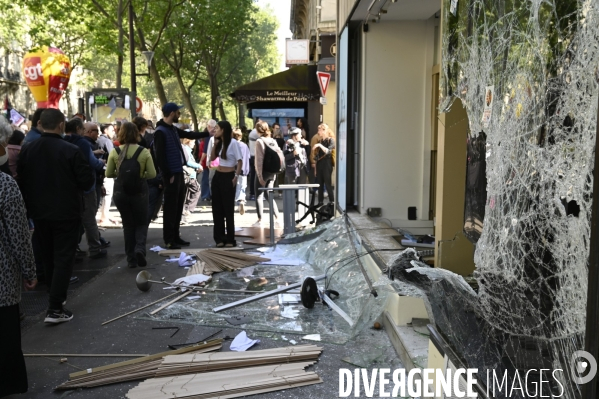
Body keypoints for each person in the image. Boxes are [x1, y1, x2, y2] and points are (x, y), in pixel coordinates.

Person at [17, 109, 94, 323]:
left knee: (48, 255)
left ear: (40, 123)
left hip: (40, 213)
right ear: (61, 125)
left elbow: (22, 181)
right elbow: (86, 182)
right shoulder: (70, 150)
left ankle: (54, 300)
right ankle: (55, 307)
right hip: (66, 211)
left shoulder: (29, 150)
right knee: (63, 257)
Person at [0, 115, 37, 397]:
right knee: (6, 335)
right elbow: (19, 235)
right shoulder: (5, 185)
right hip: (1, 282)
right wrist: (29, 271)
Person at [153, 103, 209, 249]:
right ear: (172, 113)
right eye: (178, 112)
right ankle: (169, 239)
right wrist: (167, 174)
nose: (179, 114)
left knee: (178, 207)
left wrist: (207, 133)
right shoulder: (160, 131)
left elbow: (189, 134)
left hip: (178, 172)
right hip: (171, 174)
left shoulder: (171, 129)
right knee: (171, 209)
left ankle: (176, 236)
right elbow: (159, 156)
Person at [106, 122, 156, 268]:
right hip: (140, 192)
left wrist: (121, 174)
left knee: (128, 225)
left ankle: (131, 259)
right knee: (141, 222)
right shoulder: (144, 152)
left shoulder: (115, 152)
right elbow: (152, 174)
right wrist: (141, 174)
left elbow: (109, 173)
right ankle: (140, 248)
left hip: (121, 192)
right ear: (137, 134)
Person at [208, 121, 242, 247]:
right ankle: (219, 239)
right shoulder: (218, 142)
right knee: (217, 209)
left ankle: (230, 239)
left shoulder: (233, 143)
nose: (215, 130)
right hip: (218, 175)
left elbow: (239, 161)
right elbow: (212, 160)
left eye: (217, 128)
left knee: (228, 209)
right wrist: (214, 145)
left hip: (229, 176)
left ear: (223, 130)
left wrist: (236, 177)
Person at [253, 121, 281, 226]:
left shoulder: (259, 141)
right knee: (269, 194)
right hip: (272, 172)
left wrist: (259, 175)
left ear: (257, 130)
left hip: (264, 172)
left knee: (259, 195)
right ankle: (277, 217)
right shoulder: (272, 140)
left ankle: (260, 220)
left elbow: (259, 160)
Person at [313, 123, 336, 206]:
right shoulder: (320, 141)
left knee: (327, 183)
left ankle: (332, 201)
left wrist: (319, 145)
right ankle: (320, 201)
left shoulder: (331, 140)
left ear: (324, 130)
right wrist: (315, 169)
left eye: (319, 130)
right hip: (320, 164)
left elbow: (328, 151)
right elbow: (317, 157)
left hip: (327, 163)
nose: (318, 131)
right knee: (320, 184)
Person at [182, 138, 202, 216]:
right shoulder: (186, 150)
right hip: (189, 175)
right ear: (188, 141)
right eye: (193, 142)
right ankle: (188, 209)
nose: (194, 144)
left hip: (189, 174)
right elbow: (187, 161)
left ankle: (185, 209)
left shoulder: (187, 150)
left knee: (187, 192)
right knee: (197, 190)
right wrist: (198, 166)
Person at [233, 128, 250, 215]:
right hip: (244, 169)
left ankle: (238, 202)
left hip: (234, 168)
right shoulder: (245, 145)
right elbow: (248, 157)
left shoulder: (232, 145)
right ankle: (242, 200)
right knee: (243, 186)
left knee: (236, 186)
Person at [199, 119, 216, 201]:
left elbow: (204, 151)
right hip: (216, 161)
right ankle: (211, 195)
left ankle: (206, 195)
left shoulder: (208, 136)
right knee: (212, 178)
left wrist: (200, 161)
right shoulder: (216, 135)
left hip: (208, 161)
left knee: (206, 178)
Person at [248, 120, 260, 200]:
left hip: (252, 156)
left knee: (253, 175)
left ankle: (253, 193)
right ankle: (254, 193)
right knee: (256, 176)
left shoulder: (252, 132)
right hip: (256, 156)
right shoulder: (256, 133)